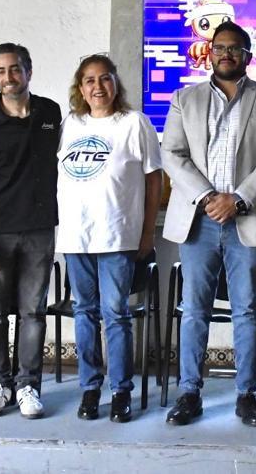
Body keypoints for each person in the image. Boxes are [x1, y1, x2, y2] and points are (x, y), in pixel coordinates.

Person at [161, 21, 256, 427]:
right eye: (219, 47)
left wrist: (236, 199)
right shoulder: (185, 99)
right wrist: (207, 197)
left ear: (248, 55)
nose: (226, 54)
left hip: (247, 220)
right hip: (198, 221)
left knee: (247, 310)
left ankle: (246, 395)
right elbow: (172, 154)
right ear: (209, 52)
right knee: (195, 310)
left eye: (235, 48)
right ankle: (189, 393)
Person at [57, 53, 162, 424]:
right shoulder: (70, 123)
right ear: (80, 88)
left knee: (115, 314)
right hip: (76, 237)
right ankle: (90, 387)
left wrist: (147, 232)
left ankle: (120, 391)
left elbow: (154, 180)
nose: (97, 87)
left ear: (115, 83)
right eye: (89, 80)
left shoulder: (134, 123)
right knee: (84, 313)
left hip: (118, 235)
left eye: (104, 78)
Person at [0, 43, 61, 419]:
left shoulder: (50, 113)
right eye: (1, 71)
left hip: (40, 231)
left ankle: (28, 387)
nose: (8, 77)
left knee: (34, 312)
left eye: (15, 69)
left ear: (29, 71)